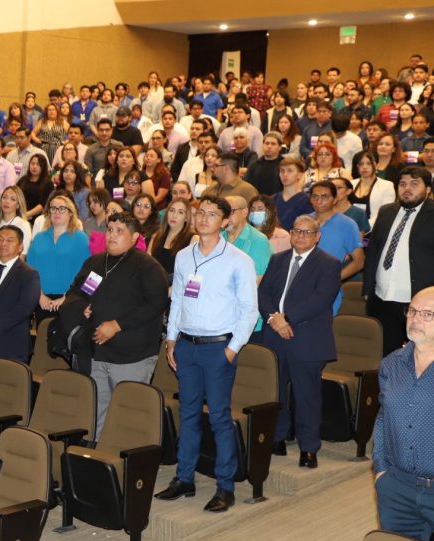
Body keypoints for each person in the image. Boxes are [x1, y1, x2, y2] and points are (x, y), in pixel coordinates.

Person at [157, 196, 258, 513]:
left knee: (218, 418)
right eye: (200, 212)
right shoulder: (184, 255)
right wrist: (171, 339)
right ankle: (184, 478)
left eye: (211, 214)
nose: (203, 218)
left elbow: (249, 310)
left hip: (218, 347)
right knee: (187, 414)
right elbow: (178, 300)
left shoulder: (239, 260)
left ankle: (225, 486)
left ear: (225, 221)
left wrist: (231, 350)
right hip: (186, 345)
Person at [60, 212, 169, 432]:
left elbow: (156, 304)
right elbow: (76, 292)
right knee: (96, 413)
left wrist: (118, 325)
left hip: (132, 355)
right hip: (96, 352)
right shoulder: (95, 262)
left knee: (127, 415)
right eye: (110, 230)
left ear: (135, 237)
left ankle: (128, 455)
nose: (112, 235)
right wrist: (81, 307)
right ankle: (97, 451)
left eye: (120, 231)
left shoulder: (148, 267)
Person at [257, 216, 341, 468]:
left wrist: (287, 319)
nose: (301, 236)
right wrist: (274, 318)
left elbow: (321, 299)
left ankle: (308, 447)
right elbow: (263, 292)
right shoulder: (278, 259)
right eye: (296, 231)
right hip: (275, 334)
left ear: (317, 236)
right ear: (291, 234)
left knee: (307, 395)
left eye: (307, 232)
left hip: (306, 338)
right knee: (275, 391)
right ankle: (278, 437)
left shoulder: (329, 263)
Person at [372, 285, 434, 541]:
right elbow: (383, 419)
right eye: (412, 311)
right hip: (397, 488)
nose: (416, 319)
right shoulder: (391, 364)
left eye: (427, 314)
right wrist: (381, 470)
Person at [364, 167, 434, 356]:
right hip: (382, 297)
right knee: (385, 354)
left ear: (428, 189)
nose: (407, 188)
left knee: (418, 354)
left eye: (414, 184)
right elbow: (373, 251)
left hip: (418, 302)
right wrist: (367, 289)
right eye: (402, 184)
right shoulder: (386, 211)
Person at [0, 225, 41, 362]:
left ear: (20, 247)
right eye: (0, 239)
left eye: (10, 240)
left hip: (12, 343)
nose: (3, 243)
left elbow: (24, 308)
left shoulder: (29, 274)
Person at [30, 194, 91, 324]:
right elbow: (30, 270)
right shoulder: (39, 238)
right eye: (53, 208)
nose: (57, 212)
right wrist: (40, 296)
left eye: (62, 208)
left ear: (70, 213)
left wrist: (67, 298)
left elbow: (85, 273)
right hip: (42, 300)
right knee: (43, 335)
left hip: (70, 300)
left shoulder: (80, 238)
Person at [308, 181, 364, 313]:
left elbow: (359, 261)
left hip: (327, 291)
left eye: (325, 197)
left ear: (334, 199)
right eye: (315, 196)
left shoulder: (347, 224)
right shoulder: (304, 221)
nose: (319, 201)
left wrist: (335, 278)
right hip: (301, 287)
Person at [0, 185, 32, 268]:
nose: (7, 201)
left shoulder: (24, 225)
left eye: (12, 199)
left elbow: (22, 256)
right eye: (4, 197)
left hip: (12, 272)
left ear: (18, 205)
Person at [350, 153, 397, 227]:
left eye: (369, 163)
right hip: (350, 227)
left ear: (376, 165)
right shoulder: (351, 184)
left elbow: (385, 213)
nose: (364, 167)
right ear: (357, 167)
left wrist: (363, 227)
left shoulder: (387, 185)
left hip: (374, 228)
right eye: (361, 164)